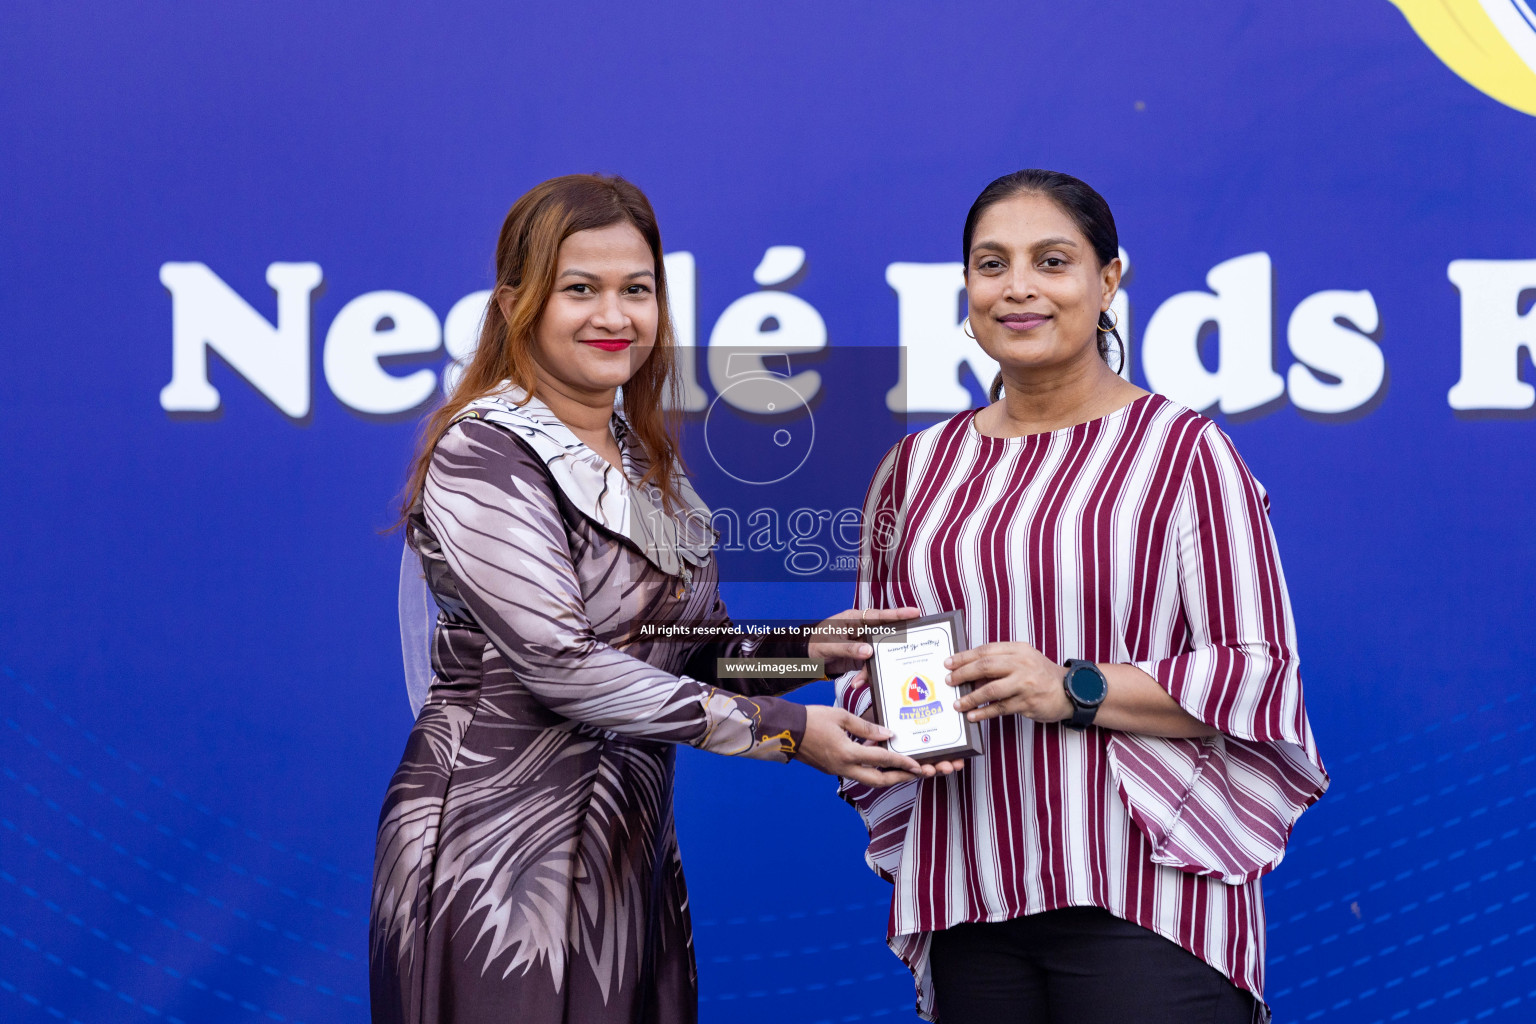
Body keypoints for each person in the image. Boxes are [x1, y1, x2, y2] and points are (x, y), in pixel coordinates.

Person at [369, 173, 926, 1024]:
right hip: (495, 856)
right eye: (579, 289)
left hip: (626, 853)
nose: (614, 316)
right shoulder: (484, 449)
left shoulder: (646, 462)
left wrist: (817, 649)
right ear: (517, 304)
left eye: (637, 290)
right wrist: (785, 732)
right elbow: (561, 664)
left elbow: (687, 646)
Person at [834, 169, 1329, 1024]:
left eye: (1051, 261)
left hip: (1145, 896)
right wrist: (894, 712)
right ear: (966, 290)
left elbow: (1257, 675)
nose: (1018, 287)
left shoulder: (1185, 454)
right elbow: (875, 663)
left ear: (1107, 281)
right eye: (992, 265)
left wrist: (1072, 687)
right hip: (970, 887)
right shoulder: (914, 469)